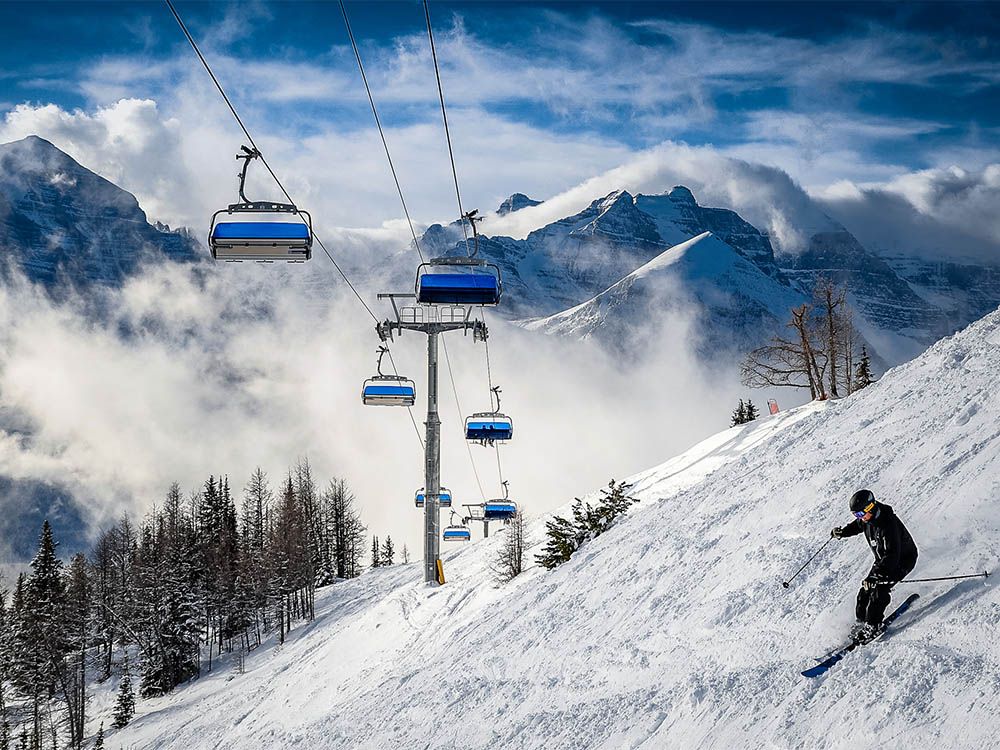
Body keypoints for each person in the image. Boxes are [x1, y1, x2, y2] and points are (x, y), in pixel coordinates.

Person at [831, 489, 918, 642]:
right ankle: (861, 622)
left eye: (860, 514)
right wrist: (842, 532)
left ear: (870, 507)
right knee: (864, 592)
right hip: (882, 561)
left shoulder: (888, 524)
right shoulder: (867, 519)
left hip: (902, 560)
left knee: (879, 590)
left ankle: (873, 625)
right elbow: (857, 526)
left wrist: (877, 575)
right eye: (855, 515)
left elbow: (892, 554)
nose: (859, 518)